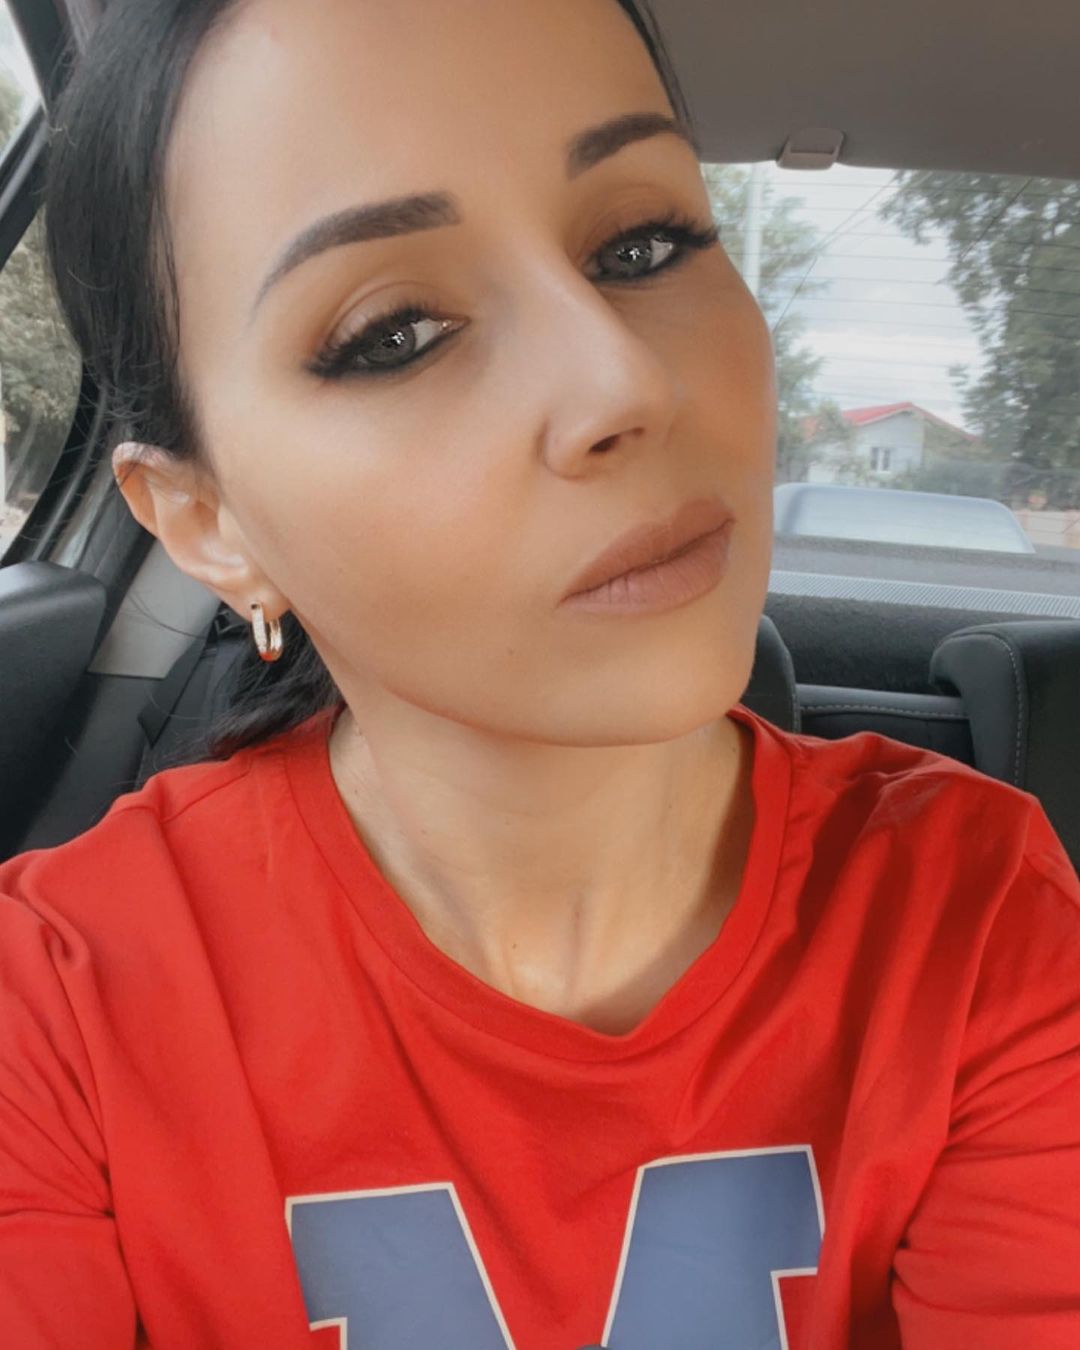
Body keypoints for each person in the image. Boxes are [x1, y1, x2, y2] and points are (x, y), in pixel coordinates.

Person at [1, 0, 1078, 1345]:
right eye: (396, 332)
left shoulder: (976, 918)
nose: (625, 381)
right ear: (208, 522)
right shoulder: (61, 1002)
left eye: (643, 244)